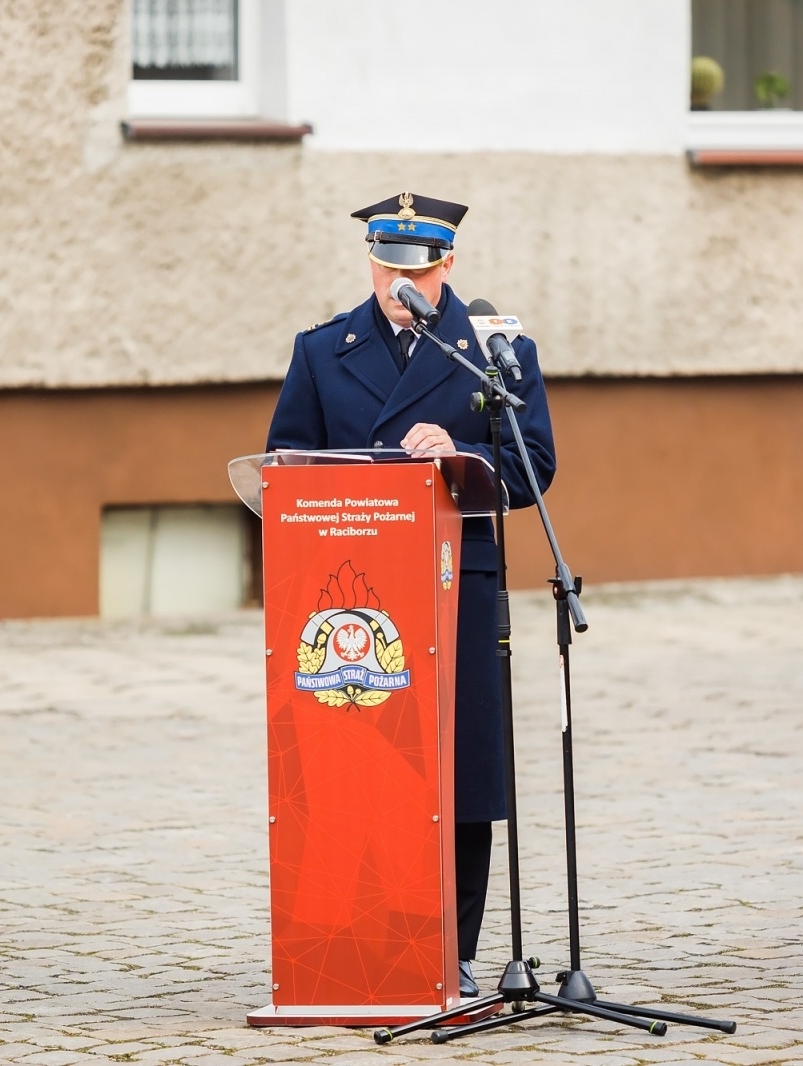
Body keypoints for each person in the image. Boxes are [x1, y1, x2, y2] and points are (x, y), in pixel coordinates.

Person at [265, 192, 557, 996]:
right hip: (352, 594)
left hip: (457, 583)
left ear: (448, 266)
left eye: (420, 269)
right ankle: (354, 934)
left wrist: (458, 448)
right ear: (370, 264)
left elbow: (536, 462)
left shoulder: (495, 352)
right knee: (358, 766)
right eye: (389, 268)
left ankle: (453, 949)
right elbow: (285, 462)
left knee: (458, 770)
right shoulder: (325, 350)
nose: (403, 283)